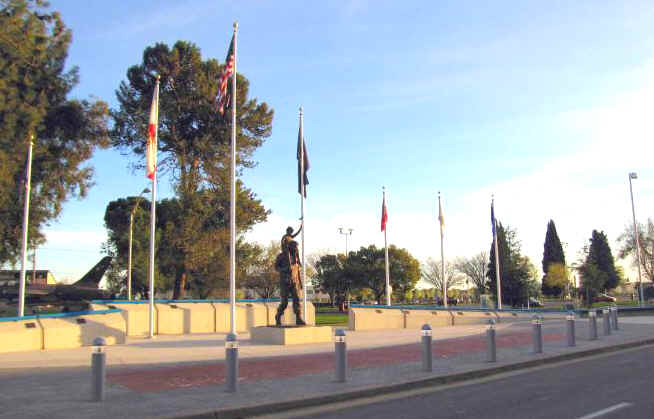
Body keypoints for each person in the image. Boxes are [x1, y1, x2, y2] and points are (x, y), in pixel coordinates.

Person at [274, 240, 306, 326]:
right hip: (285, 282)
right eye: (295, 247)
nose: (296, 248)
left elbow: (298, 272)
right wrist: (284, 269)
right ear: (290, 247)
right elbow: (276, 267)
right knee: (284, 302)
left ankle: (298, 318)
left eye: (297, 247)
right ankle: (278, 315)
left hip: (295, 282)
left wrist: (300, 283)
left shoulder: (296, 258)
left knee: (297, 300)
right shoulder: (281, 256)